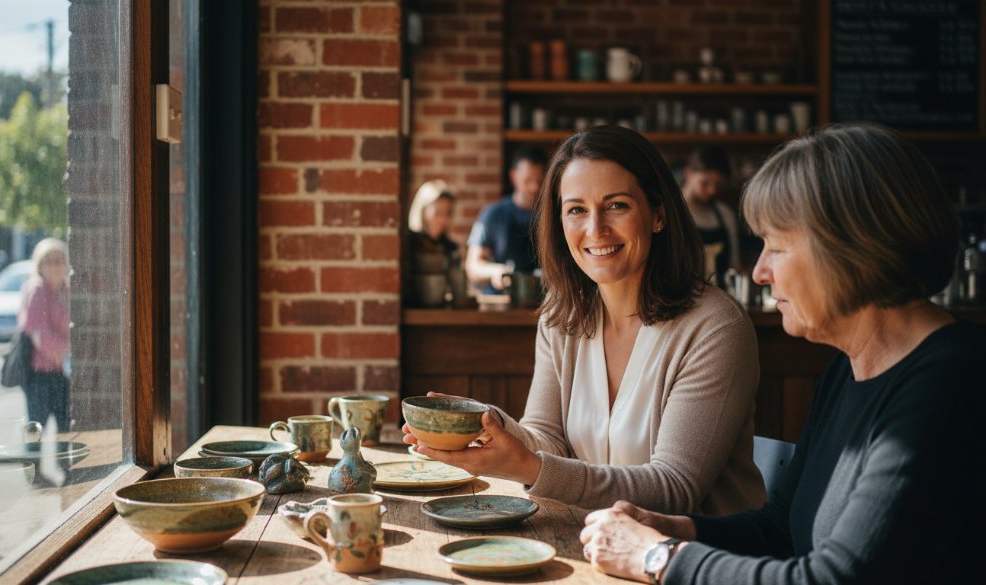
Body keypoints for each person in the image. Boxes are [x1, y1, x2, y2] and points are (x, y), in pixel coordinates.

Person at [579, 124, 985, 585]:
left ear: (852, 248)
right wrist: (675, 528)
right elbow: (782, 529)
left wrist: (659, 557)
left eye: (776, 246)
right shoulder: (846, 370)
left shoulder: (953, 383)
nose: (760, 272)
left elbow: (835, 578)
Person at [406, 126, 765, 514]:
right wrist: (487, 425)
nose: (596, 230)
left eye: (617, 205)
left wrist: (531, 466)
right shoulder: (562, 317)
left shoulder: (715, 328)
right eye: (576, 209)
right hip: (597, 546)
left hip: (696, 561)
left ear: (658, 214)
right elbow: (547, 438)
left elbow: (674, 488)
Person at [466, 146, 548, 293]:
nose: (534, 187)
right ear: (513, 176)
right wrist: (495, 271)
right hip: (501, 303)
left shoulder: (554, 215)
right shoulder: (493, 214)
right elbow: (472, 267)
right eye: (528, 180)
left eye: (539, 181)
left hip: (545, 303)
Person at [19, 238, 71, 432]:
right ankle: (33, 464)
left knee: (67, 433)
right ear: (40, 265)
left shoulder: (67, 289)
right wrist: (65, 351)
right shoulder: (37, 289)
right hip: (41, 374)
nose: (56, 265)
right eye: (50, 261)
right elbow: (38, 333)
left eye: (60, 260)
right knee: (36, 434)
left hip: (63, 373)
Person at [681, 146, 741, 280]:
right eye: (705, 182)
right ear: (688, 173)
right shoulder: (670, 212)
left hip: (720, 295)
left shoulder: (725, 214)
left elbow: (734, 265)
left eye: (718, 185)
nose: (712, 190)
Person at [404, 179, 459, 306]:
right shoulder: (409, 245)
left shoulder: (450, 247)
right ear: (423, 211)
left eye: (448, 213)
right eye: (437, 212)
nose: (443, 219)